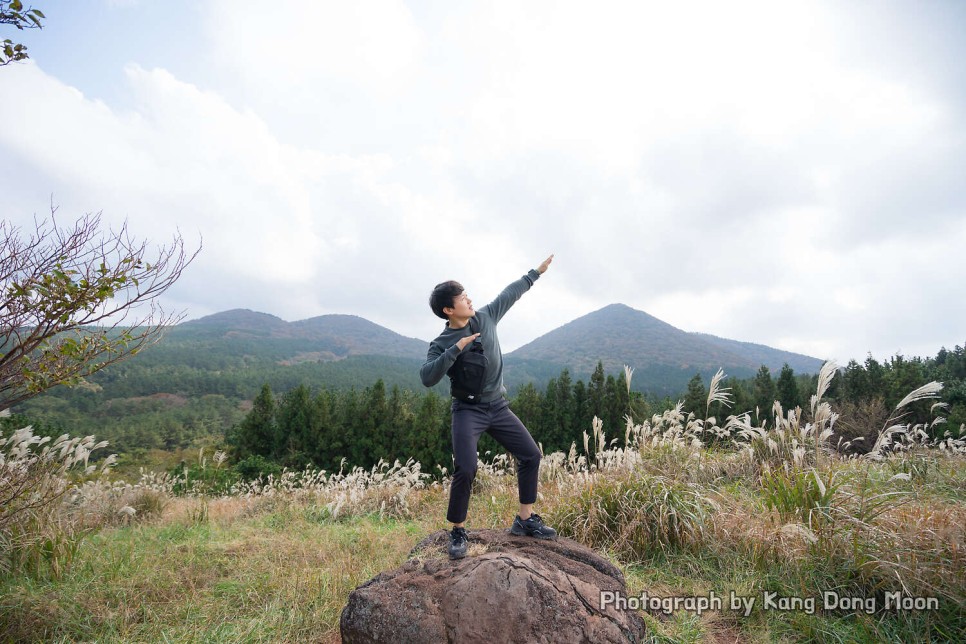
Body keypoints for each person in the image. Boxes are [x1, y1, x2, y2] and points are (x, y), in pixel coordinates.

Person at [420, 254, 557, 559]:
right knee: (466, 468)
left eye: (467, 294)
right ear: (448, 309)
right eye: (462, 298)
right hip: (467, 411)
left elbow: (509, 294)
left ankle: (525, 520)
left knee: (530, 455)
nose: (469, 300)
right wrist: (456, 349)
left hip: (497, 407)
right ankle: (457, 531)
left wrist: (535, 273)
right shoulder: (441, 342)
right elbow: (427, 377)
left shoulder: (485, 316)